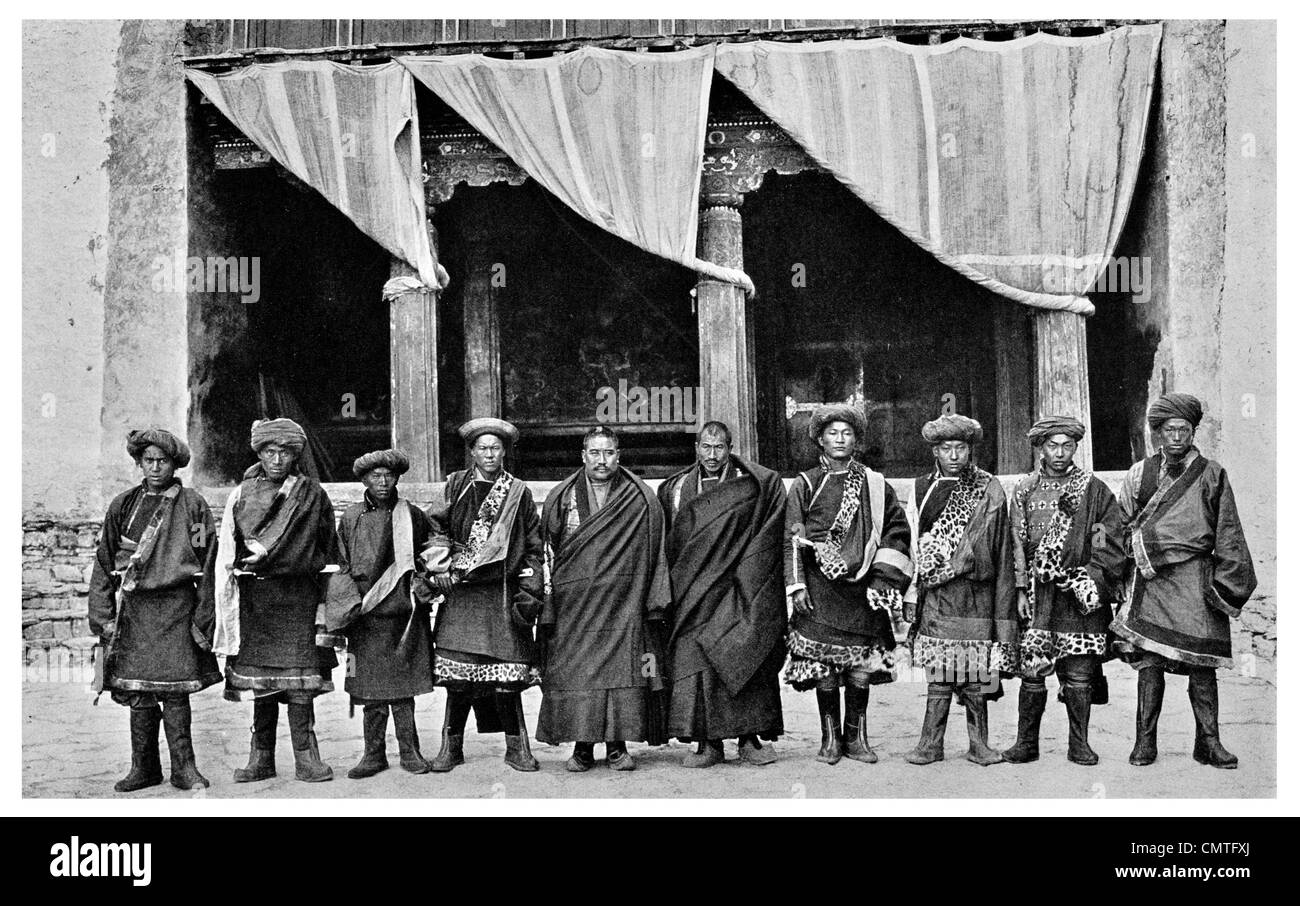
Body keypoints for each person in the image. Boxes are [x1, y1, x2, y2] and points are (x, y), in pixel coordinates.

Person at [1111, 393, 1257, 768]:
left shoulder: (1212, 473)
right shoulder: (1138, 474)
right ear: (1157, 433)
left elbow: (1228, 530)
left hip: (1195, 581)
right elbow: (1118, 524)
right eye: (1169, 430)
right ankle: (1145, 742)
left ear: (1194, 432)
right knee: (1150, 664)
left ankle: (1208, 743)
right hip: (1152, 582)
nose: (1177, 437)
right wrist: (1127, 559)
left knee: (1202, 666)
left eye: (1184, 430)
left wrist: (1225, 583)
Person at [88, 428, 221, 792]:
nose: (156, 468)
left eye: (163, 461)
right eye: (149, 461)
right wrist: (103, 617)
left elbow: (207, 561)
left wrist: (203, 617)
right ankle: (143, 768)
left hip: (178, 608)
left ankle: (184, 769)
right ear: (139, 463)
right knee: (140, 693)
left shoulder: (192, 506)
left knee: (176, 692)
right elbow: (104, 562)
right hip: (136, 611)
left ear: (175, 464)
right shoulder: (123, 506)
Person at [783, 405, 912, 765]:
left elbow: (897, 533)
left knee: (861, 665)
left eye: (847, 434)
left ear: (856, 440)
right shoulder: (805, 483)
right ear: (820, 440)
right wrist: (797, 586)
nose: (840, 440)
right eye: (832, 434)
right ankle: (830, 738)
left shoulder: (875, 484)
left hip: (863, 588)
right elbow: (792, 538)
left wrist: (882, 581)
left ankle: (856, 738)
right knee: (824, 666)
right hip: (820, 588)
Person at [537, 426, 671, 771]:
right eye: (594, 453)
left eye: (608, 452)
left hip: (625, 603)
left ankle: (617, 745)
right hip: (575, 606)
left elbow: (653, 549)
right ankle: (582, 747)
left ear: (618, 455)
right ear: (583, 456)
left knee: (624, 672)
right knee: (578, 674)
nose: (601, 460)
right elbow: (549, 551)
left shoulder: (638, 496)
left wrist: (652, 597)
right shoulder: (562, 497)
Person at [214, 418, 339, 783]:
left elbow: (324, 547)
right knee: (261, 683)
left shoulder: (311, 494)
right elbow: (229, 546)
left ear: (294, 454)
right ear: (260, 452)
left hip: (298, 596)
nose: (278, 459)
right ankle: (261, 758)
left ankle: (306, 756)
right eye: (270, 451)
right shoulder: (241, 494)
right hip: (257, 599)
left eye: (285, 452)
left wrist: (283, 559)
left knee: (299, 681)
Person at [657, 421, 787, 767]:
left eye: (719, 448)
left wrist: (749, 576)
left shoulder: (752, 485)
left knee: (742, 652)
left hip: (736, 587)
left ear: (730, 447)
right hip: (691, 591)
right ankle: (706, 743)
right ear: (696, 448)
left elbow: (765, 535)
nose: (712, 455)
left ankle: (750, 739)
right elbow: (669, 542)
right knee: (695, 662)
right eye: (705, 447)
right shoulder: (676, 488)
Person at [422, 418, 545, 773]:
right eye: (483, 448)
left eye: (495, 448)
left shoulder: (518, 492)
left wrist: (529, 590)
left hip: (502, 592)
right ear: (472, 452)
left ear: (504, 451)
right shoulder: (455, 485)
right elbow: (435, 528)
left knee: (507, 678)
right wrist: (441, 568)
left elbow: (533, 547)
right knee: (458, 681)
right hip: (461, 593)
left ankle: (516, 747)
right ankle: (451, 747)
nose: (489, 454)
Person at [1002, 416, 1125, 766]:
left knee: (1079, 674)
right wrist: (1022, 590)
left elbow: (1105, 540)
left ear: (1075, 448)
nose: (1059, 453)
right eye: (1052, 445)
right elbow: (1017, 543)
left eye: (1067, 446)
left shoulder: (1095, 490)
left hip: (1078, 597)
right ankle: (1026, 743)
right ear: (1041, 447)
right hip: (1039, 597)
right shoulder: (1024, 489)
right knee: (1033, 672)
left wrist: (1087, 577)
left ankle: (1079, 744)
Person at [903, 414, 1017, 767]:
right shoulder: (922, 488)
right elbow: (911, 542)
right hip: (937, 595)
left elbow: (1000, 543)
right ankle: (930, 744)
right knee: (938, 673)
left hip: (976, 592)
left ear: (970, 450)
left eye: (961, 448)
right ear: (935, 451)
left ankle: (978, 744)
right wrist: (911, 592)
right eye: (946, 448)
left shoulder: (988, 486)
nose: (954, 455)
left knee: (975, 673)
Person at [328, 449, 437, 779]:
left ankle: (410, 751)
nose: (383, 481)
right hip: (365, 617)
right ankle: (373, 754)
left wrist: (424, 577)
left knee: (403, 690)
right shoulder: (351, 517)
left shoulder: (413, 515)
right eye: (375, 476)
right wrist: (347, 604)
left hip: (403, 615)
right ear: (364, 480)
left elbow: (434, 549)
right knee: (370, 691)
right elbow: (340, 564)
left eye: (389, 475)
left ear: (398, 478)